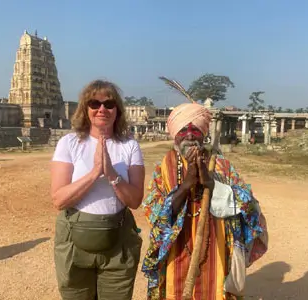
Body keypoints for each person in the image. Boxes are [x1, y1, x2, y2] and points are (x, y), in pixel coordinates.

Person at [141, 102, 268, 300]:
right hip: (176, 253)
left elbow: (249, 207)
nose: (190, 135)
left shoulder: (221, 166)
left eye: (195, 129)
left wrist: (211, 183)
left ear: (203, 133)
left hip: (215, 250)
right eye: (183, 130)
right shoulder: (163, 169)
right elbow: (154, 214)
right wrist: (186, 185)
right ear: (175, 135)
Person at [50, 80, 145, 300]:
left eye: (109, 104)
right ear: (86, 109)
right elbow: (59, 200)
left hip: (117, 241)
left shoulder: (129, 146)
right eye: (95, 103)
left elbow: (135, 200)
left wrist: (111, 174)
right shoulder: (69, 143)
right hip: (74, 242)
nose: (102, 109)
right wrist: (94, 173)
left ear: (117, 110)